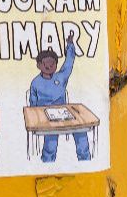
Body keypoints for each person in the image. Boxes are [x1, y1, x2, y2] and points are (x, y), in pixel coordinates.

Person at [29, 33, 90, 162]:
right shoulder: (35, 82)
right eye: (45, 64)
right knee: (50, 144)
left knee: (81, 131)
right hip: (45, 118)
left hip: (63, 115)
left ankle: (85, 160)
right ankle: (47, 163)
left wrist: (70, 45)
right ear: (39, 65)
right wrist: (37, 117)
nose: (49, 67)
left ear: (56, 65)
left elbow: (69, 63)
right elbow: (32, 104)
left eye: (52, 64)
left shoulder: (60, 77)